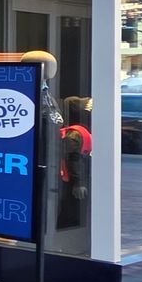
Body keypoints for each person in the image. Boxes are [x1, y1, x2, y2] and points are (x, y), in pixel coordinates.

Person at [60, 96, 93, 228]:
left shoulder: (79, 131)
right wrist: (78, 182)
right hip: (71, 181)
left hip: (77, 178)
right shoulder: (75, 134)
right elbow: (73, 159)